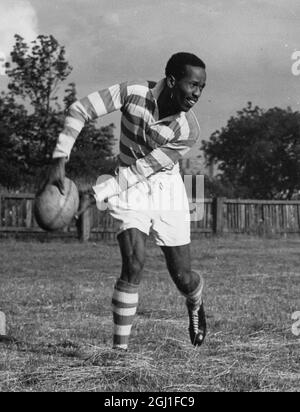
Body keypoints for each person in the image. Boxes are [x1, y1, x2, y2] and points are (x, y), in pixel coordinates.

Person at [47, 52, 207, 350]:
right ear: (172, 81)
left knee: (183, 277)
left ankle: (195, 303)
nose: (197, 94)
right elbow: (80, 109)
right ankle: (119, 354)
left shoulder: (187, 130)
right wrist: (60, 158)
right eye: (192, 85)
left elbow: (144, 169)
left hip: (165, 188)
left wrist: (95, 195)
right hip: (129, 186)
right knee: (133, 264)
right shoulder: (133, 93)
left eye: (201, 88)